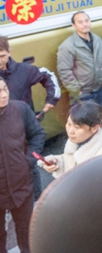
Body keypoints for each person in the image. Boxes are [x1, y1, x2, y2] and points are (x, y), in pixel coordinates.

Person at [0, 78, 45, 253]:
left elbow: (37, 134)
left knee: (26, 232)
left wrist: (28, 160)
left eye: (4, 89)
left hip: (22, 185)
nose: (3, 95)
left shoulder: (20, 109)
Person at [37, 102, 102, 179]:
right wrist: (57, 163)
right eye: (69, 124)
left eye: (77, 127)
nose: (70, 131)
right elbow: (72, 162)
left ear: (94, 128)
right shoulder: (76, 142)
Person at [57, 11, 102, 106]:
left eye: (87, 21)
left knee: (98, 118)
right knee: (83, 120)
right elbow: (64, 71)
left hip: (100, 89)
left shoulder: (97, 40)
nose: (85, 24)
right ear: (73, 25)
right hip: (83, 93)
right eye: (80, 22)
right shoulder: (67, 46)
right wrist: (77, 91)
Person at [0, 36, 59, 112]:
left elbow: (47, 75)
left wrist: (52, 99)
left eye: (2, 56)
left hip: (26, 121)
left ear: (9, 52)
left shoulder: (23, 70)